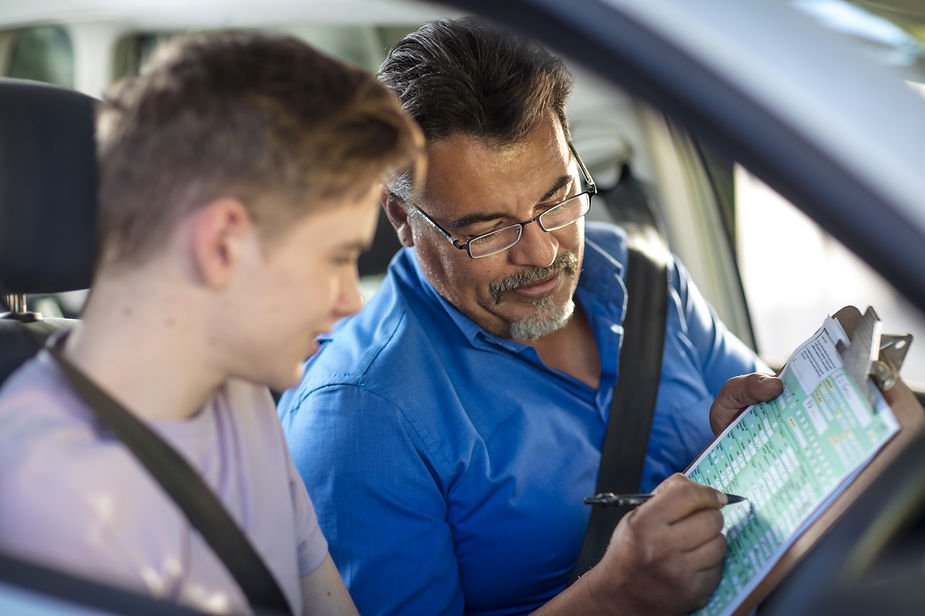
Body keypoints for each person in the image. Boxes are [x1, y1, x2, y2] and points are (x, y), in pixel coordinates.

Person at [278, 17, 784, 615]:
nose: (542, 253)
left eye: (557, 200)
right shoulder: (359, 415)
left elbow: (775, 458)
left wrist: (751, 439)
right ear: (401, 218)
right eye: (489, 230)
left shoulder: (644, 278)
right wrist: (617, 594)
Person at [0, 31, 421, 615]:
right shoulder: (48, 512)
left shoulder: (241, 391)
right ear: (223, 243)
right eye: (337, 257)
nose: (352, 300)